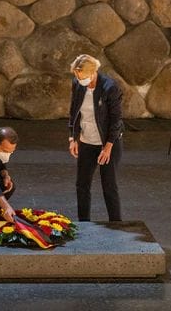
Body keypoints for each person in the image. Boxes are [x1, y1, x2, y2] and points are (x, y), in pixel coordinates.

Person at [68, 54, 124, 222]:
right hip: (86, 141)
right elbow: (74, 112)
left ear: (93, 73)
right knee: (82, 185)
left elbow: (116, 120)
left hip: (108, 143)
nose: (79, 79)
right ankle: (84, 223)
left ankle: (116, 224)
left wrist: (107, 148)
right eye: (77, 76)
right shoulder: (77, 85)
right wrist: (73, 138)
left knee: (109, 186)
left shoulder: (110, 87)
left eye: (82, 76)